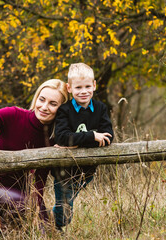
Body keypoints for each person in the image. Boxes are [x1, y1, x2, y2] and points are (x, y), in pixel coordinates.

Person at [0, 79, 68, 225]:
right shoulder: (13, 115)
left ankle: (3, 230)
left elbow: (40, 180)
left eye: (53, 104)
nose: (44, 107)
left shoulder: (54, 139)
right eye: (41, 100)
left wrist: (37, 210)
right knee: (23, 206)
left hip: (22, 197)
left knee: (47, 227)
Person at [52, 63, 114, 230]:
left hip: (87, 171)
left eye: (87, 86)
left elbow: (108, 137)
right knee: (65, 212)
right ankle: (52, 228)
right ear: (69, 88)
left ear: (94, 85)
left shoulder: (100, 108)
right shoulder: (64, 110)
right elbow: (62, 137)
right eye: (78, 87)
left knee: (67, 203)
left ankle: (49, 226)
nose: (84, 91)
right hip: (64, 170)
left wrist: (76, 142)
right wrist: (92, 136)